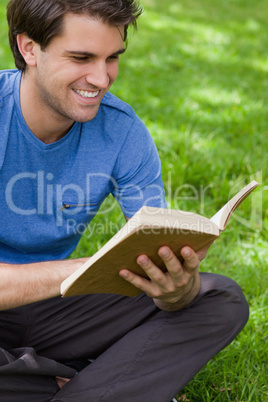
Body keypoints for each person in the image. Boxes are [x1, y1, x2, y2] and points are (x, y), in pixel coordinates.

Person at [0, 0, 249, 401]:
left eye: (112, 57)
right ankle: (64, 381)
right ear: (29, 48)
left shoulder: (123, 132)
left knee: (219, 299)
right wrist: (88, 268)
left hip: (59, 310)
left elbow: (163, 262)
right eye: (81, 57)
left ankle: (38, 379)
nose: (101, 78)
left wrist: (175, 290)